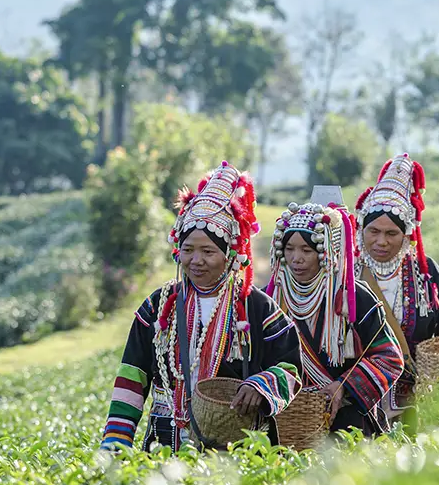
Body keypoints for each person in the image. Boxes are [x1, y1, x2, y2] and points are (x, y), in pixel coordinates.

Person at [100, 161, 302, 452]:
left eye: (208, 251)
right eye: (188, 250)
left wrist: (262, 385)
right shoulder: (159, 307)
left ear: (230, 255)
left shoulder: (256, 308)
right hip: (164, 443)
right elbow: (133, 374)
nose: (196, 261)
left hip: (235, 448)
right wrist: (116, 441)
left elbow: (290, 367)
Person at [265, 194, 404, 437]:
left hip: (347, 424)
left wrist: (344, 386)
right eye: (289, 249)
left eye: (306, 250)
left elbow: (390, 358)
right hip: (285, 422)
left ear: (326, 252)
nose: (296, 258)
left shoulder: (353, 298)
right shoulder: (272, 298)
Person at [354, 153, 439, 420]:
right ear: (361, 229)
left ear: (406, 236)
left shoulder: (423, 272)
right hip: (356, 398)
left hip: (415, 398)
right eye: (373, 231)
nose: (381, 241)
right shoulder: (345, 273)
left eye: (391, 234)